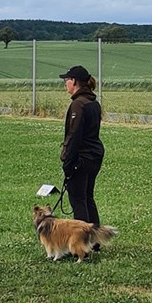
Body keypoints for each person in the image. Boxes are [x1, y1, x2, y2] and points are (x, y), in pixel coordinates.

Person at [59, 65, 104, 226]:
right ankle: (95, 238)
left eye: (67, 80)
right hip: (94, 155)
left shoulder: (78, 104)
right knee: (87, 197)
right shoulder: (93, 102)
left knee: (78, 199)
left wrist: (68, 161)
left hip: (81, 158)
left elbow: (74, 135)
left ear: (75, 82)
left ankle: (82, 244)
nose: (65, 83)